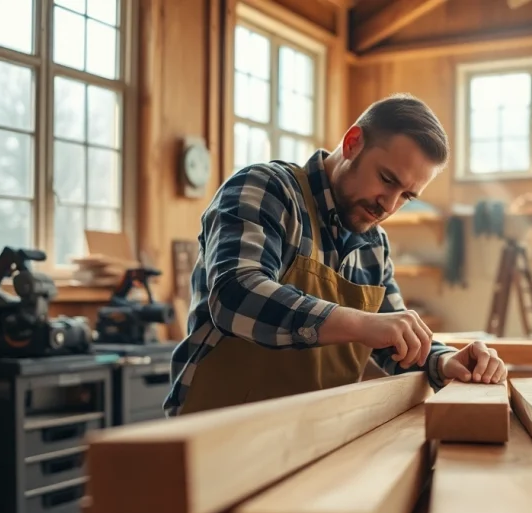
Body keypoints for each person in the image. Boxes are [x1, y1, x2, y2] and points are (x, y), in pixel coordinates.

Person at [165, 93, 506, 416]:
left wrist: (444, 361)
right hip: (219, 432)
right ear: (353, 142)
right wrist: (359, 323)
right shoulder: (266, 188)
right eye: (387, 179)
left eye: (406, 196)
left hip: (314, 432)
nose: (389, 205)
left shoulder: (374, 245)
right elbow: (236, 295)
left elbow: (394, 334)